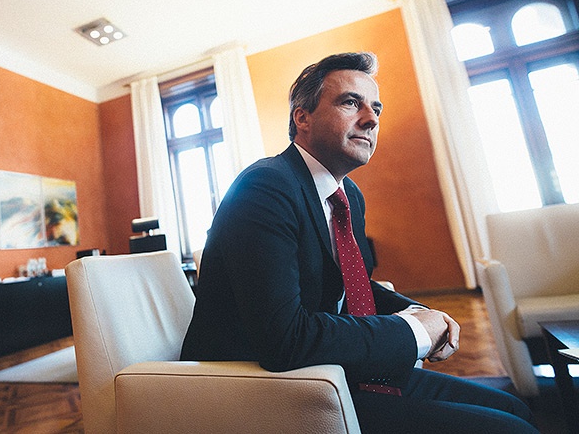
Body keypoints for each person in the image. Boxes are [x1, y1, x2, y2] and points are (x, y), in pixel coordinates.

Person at [181, 52, 537, 433]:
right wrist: (415, 333)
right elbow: (284, 339)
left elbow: (354, 288)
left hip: (334, 369)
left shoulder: (349, 194)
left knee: (514, 409)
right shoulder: (265, 187)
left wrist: (420, 312)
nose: (371, 119)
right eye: (351, 103)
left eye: (376, 108)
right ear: (302, 118)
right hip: (267, 389)